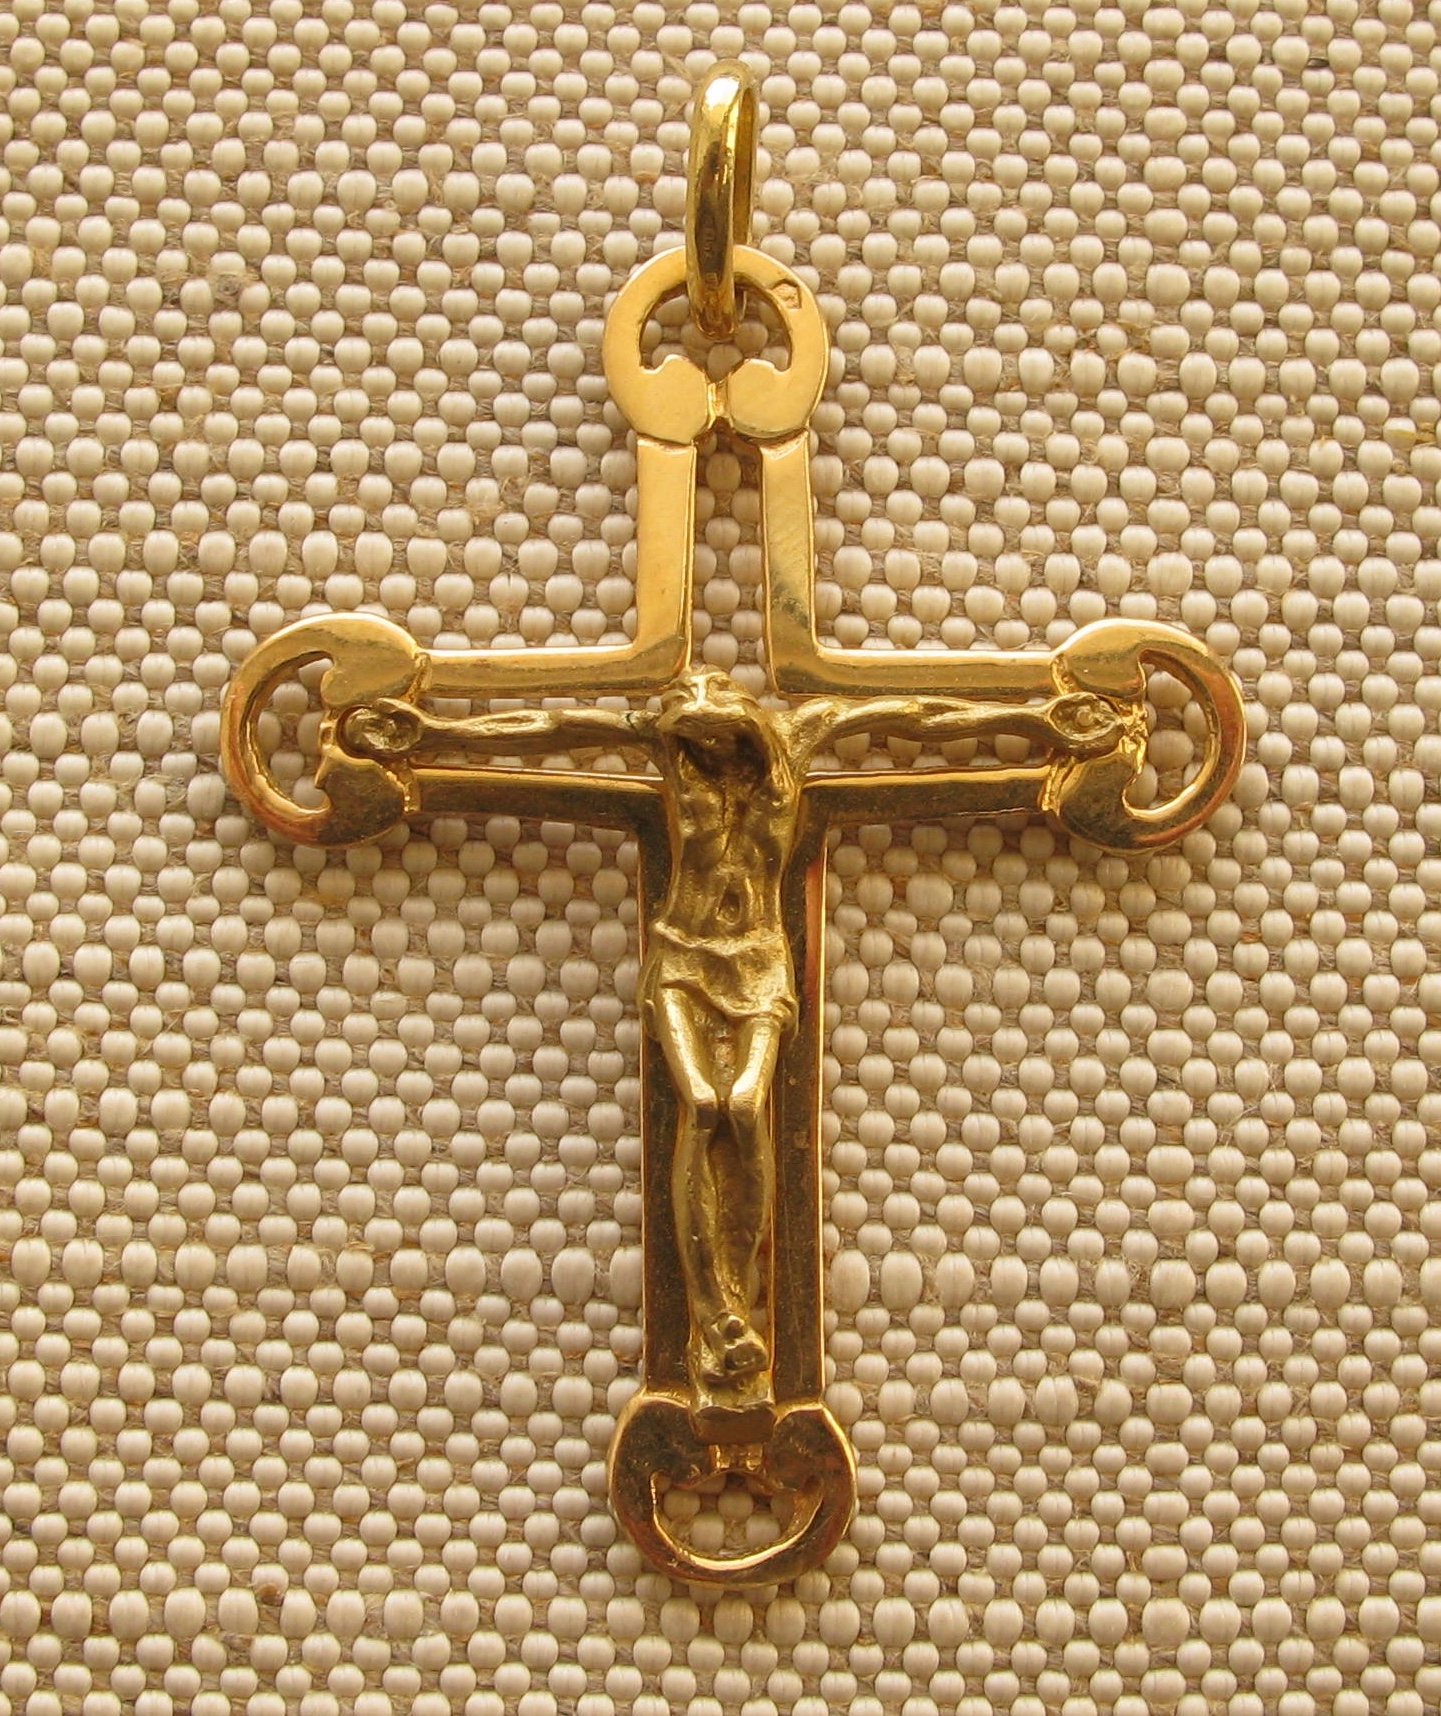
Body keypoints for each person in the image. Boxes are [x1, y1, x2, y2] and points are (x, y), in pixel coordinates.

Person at [344, 668, 1124, 1413]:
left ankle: (738, 1293)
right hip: (682, 958)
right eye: (693, 731)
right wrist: (431, 732)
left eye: (715, 726)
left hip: (757, 961)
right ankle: (715, 1311)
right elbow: (551, 727)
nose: (705, 739)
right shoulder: (661, 744)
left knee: (746, 1106)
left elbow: (918, 718)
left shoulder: (802, 734)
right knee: (700, 1104)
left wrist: (1034, 721)